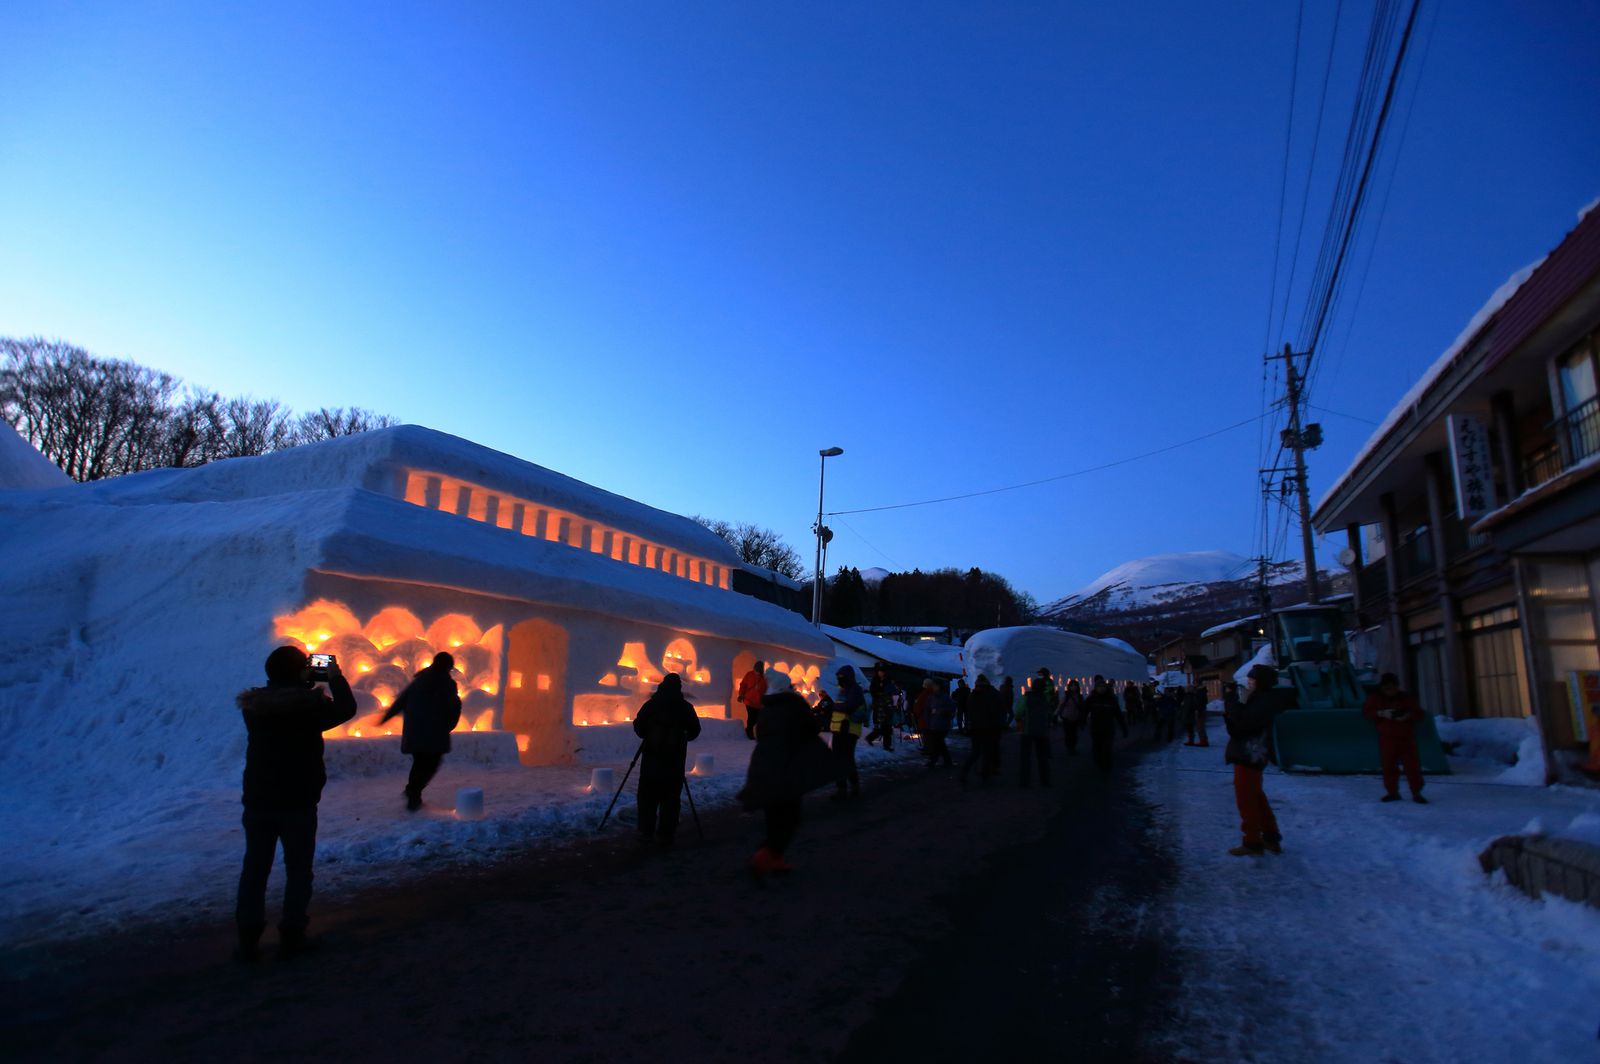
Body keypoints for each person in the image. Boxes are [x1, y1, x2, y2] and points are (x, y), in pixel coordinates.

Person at [235, 645, 357, 961]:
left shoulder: (254, 708)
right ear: (301, 672)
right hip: (298, 800)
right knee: (298, 869)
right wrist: (334, 677)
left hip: (259, 799)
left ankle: (248, 940)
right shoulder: (310, 707)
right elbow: (346, 709)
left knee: (255, 869)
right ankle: (292, 934)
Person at [739, 673, 834, 877]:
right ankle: (765, 857)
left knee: (773, 815)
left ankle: (775, 859)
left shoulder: (766, 709)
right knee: (791, 816)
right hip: (788, 767)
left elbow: (761, 735)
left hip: (765, 766)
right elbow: (812, 727)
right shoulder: (795, 706)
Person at [380, 651, 463, 811]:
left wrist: (385, 718)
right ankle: (413, 794)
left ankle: (413, 792)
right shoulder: (447, 684)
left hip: (415, 732)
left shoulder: (420, 680)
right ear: (448, 666)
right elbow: (451, 707)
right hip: (434, 732)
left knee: (419, 763)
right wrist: (449, 724)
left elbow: (401, 700)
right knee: (430, 764)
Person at [632, 673, 702, 846]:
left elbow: (638, 726)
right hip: (674, 762)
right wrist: (683, 736)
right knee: (670, 799)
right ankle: (666, 834)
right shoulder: (685, 707)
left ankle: (646, 831)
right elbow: (695, 730)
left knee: (647, 797)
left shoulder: (652, 705)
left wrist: (650, 733)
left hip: (651, 761)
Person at [1225, 664, 1285, 856]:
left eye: (1252, 681)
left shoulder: (1261, 702)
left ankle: (1252, 841)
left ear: (1261, 683)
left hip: (1249, 753)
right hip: (1253, 753)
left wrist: (1232, 702)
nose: (1249, 684)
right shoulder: (1263, 700)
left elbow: (1241, 724)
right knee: (1256, 797)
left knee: (1246, 799)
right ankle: (1270, 835)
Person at [1363, 672, 1427, 804]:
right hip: (1387, 738)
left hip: (1406, 738)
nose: (1390, 691)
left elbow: (1419, 713)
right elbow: (1366, 712)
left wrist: (1407, 715)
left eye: (1392, 687)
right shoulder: (1376, 699)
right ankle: (1392, 792)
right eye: (1387, 688)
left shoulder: (1406, 698)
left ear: (1397, 687)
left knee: (1412, 767)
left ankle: (1416, 792)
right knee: (1388, 767)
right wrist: (1381, 713)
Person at [828, 666, 868, 799]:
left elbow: (848, 706)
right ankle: (846, 788)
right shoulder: (844, 689)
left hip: (848, 729)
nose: (839, 679)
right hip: (840, 728)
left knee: (845, 759)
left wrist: (833, 706)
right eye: (838, 677)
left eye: (841, 677)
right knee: (842, 759)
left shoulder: (854, 690)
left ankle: (847, 788)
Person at [960, 675, 1006, 785]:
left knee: (975, 752)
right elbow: (997, 710)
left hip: (976, 728)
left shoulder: (973, 695)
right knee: (986, 752)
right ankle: (985, 776)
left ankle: (963, 773)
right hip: (988, 728)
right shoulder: (991, 695)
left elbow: (970, 712)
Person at [1017, 667, 1055, 787]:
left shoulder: (1027, 697)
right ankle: (1045, 781)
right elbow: (1050, 694)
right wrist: (1047, 680)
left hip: (1028, 731)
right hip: (1042, 731)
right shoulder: (1045, 698)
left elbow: (1019, 711)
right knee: (1042, 758)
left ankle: (1024, 781)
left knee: (1026, 758)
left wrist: (1019, 720)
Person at [1084, 676, 1127, 772]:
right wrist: (1082, 722)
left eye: (1103, 686)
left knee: (1107, 749)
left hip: (1109, 729)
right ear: (1096, 688)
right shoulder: (1091, 699)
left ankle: (1107, 769)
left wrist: (1124, 728)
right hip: (1095, 729)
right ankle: (1099, 763)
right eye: (1099, 686)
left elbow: (1118, 715)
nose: (1101, 688)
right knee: (1097, 749)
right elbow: (1085, 711)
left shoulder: (1111, 700)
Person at [921, 680, 955, 768]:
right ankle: (945, 761)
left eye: (936, 686)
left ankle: (934, 760)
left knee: (938, 743)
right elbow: (927, 709)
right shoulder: (931, 697)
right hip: (933, 724)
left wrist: (943, 712)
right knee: (939, 743)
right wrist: (927, 720)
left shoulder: (945, 698)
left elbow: (952, 710)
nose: (934, 688)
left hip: (942, 725)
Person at [864, 663, 896, 750]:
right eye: (879, 671)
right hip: (879, 705)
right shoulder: (875, 681)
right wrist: (879, 693)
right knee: (884, 725)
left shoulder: (888, 680)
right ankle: (883, 744)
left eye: (882, 671)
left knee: (886, 725)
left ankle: (876, 740)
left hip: (887, 704)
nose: (880, 673)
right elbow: (873, 691)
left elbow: (892, 690)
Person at [737, 660, 767, 740]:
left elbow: (767, 689)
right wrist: (741, 694)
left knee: (757, 719)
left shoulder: (765, 677)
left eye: (758, 670)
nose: (756, 671)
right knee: (751, 718)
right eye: (756, 670)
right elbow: (743, 685)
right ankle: (749, 734)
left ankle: (755, 733)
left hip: (759, 703)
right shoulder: (749, 674)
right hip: (749, 701)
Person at [1055, 679, 1085, 756]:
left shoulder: (1080, 697)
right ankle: (1069, 748)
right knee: (1068, 734)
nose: (1073, 687)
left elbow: (1083, 707)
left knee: (1074, 734)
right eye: (1072, 686)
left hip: (1076, 718)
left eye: (1075, 685)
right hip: (1067, 718)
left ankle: (1072, 747)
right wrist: (1055, 715)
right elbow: (1060, 706)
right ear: (1069, 687)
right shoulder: (1066, 696)